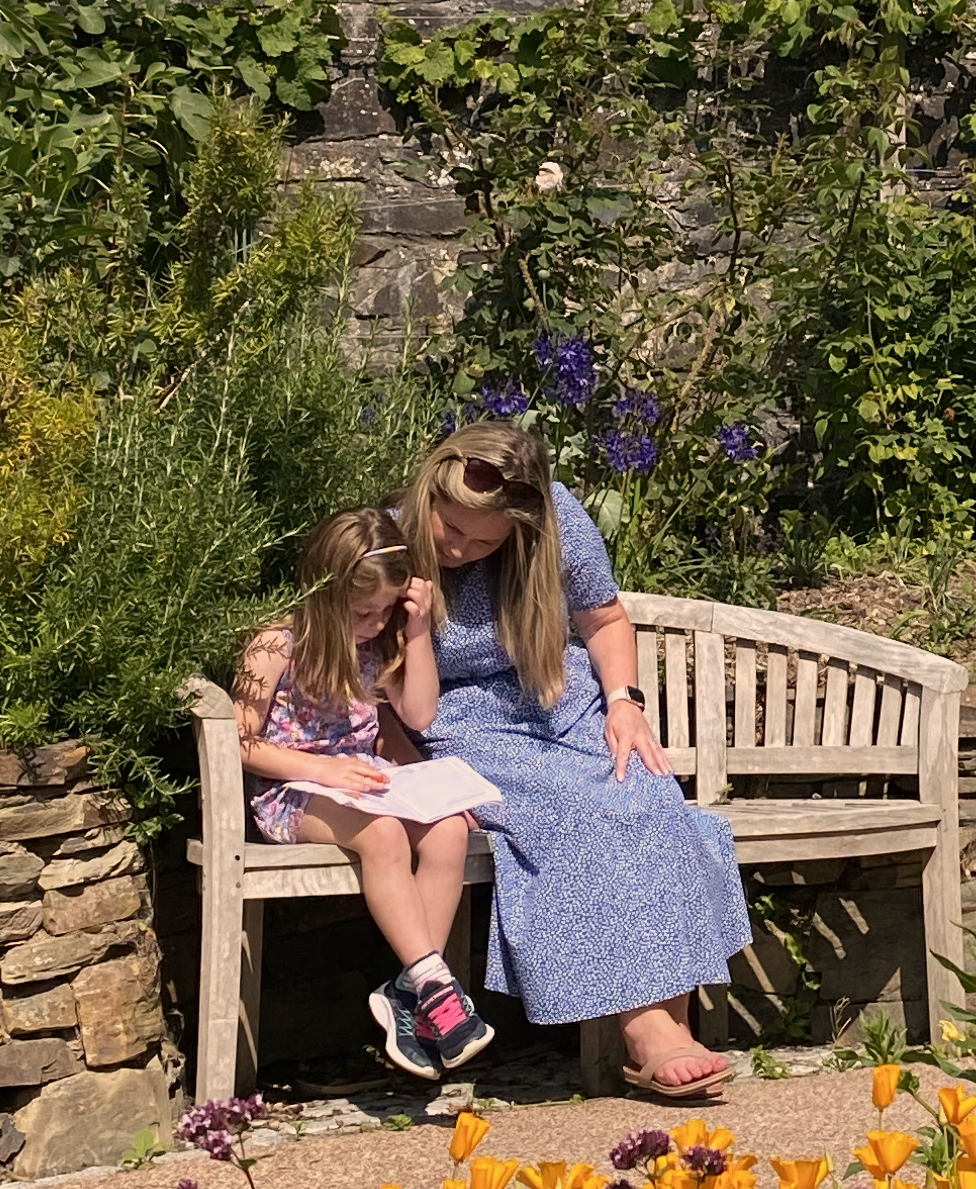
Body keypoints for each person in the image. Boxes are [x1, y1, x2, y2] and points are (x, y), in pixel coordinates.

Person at [407, 421, 749, 1102]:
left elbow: (603, 620)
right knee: (580, 809)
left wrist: (624, 701)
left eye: (482, 539)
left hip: (561, 704)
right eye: (449, 528)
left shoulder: (559, 519)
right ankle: (651, 1034)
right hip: (464, 724)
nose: (458, 548)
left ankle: (667, 1031)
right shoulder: (393, 538)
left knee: (647, 795)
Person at [231, 504, 494, 1083]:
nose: (374, 624)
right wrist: (322, 772)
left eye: (385, 611)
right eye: (361, 611)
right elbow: (240, 742)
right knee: (383, 836)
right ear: (324, 593)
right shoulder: (278, 645)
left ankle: (411, 989)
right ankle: (433, 984)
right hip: (294, 790)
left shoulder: (380, 645)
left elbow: (418, 712)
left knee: (450, 829)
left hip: (365, 783)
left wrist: (418, 631)